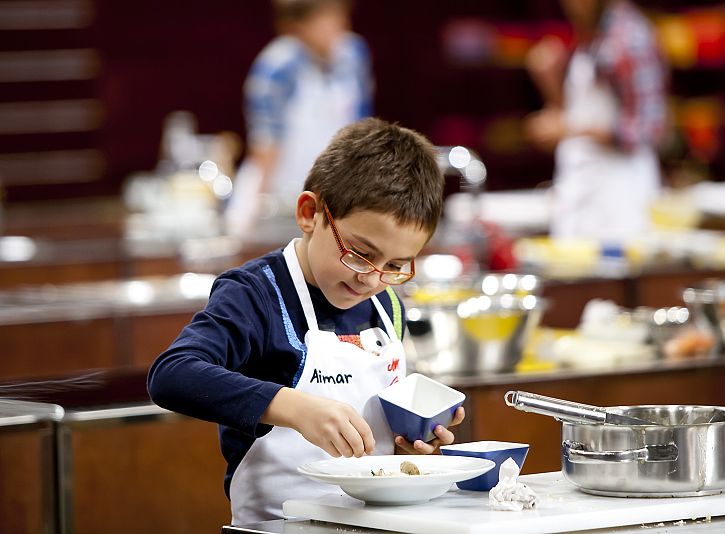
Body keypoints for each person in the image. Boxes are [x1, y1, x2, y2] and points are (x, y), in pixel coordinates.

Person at [148, 118, 464, 524]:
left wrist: (407, 447)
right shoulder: (256, 295)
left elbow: (376, 442)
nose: (370, 278)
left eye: (396, 265)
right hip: (277, 526)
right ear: (310, 213)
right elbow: (171, 374)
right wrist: (295, 408)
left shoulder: (388, 306)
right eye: (359, 252)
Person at [524, 0, 668, 245]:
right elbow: (575, 112)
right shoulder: (590, 33)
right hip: (582, 192)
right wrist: (549, 80)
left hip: (621, 200)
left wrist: (569, 129)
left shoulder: (629, 38)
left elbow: (648, 130)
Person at [225, 0, 373, 236]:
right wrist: (248, 214)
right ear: (299, 25)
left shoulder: (353, 54)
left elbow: (361, 127)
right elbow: (266, 145)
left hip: (337, 194)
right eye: (328, 17)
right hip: (285, 198)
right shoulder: (277, 66)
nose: (341, 24)